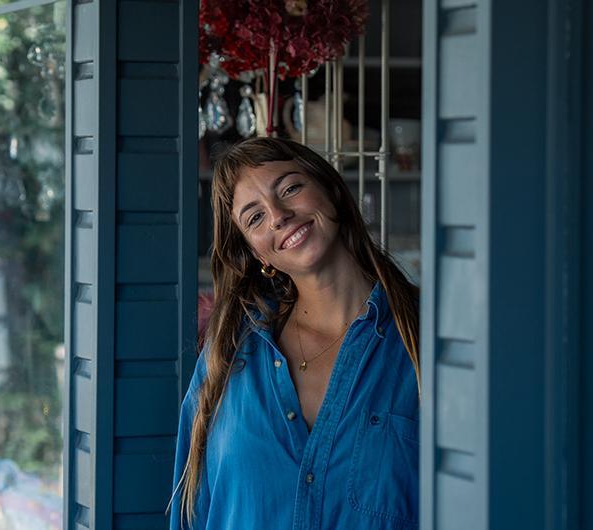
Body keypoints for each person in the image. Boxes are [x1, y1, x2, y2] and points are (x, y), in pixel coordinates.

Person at [168, 137, 420, 529]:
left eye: (290, 188)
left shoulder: (425, 340)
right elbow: (192, 515)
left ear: (331, 191)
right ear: (257, 253)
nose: (279, 215)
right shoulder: (229, 356)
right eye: (254, 218)